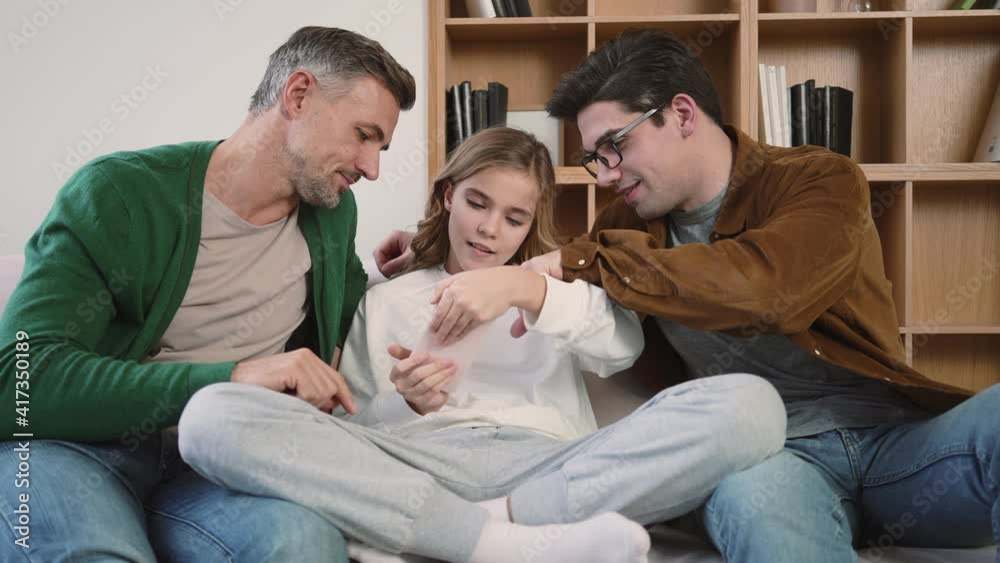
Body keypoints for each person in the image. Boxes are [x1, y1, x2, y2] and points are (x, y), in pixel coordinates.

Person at [376, 28, 999, 563]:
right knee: (755, 507)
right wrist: (431, 242)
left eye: (614, 147)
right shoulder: (621, 228)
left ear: (680, 114)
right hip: (767, 460)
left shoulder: (818, 180)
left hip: (897, 443)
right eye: (595, 159)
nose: (607, 174)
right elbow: (545, 262)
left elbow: (768, 289)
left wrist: (576, 261)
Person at [177, 126, 788, 563]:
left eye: (514, 218)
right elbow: (354, 431)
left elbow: (622, 347)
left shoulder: (554, 287)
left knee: (753, 405)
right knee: (213, 414)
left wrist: (525, 289)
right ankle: (491, 541)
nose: (490, 230)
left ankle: (483, 531)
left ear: (531, 224)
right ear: (449, 195)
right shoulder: (388, 299)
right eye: (476, 203)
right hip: (417, 468)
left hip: (550, 470)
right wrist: (406, 405)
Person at [0, 26, 415, 562]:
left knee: (302, 543)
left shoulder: (332, 214)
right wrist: (233, 376)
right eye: (363, 134)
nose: (372, 168)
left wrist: (432, 252)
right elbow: (18, 382)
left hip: (218, 464)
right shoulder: (119, 194)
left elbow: (354, 296)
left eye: (381, 146)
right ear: (298, 95)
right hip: (80, 451)